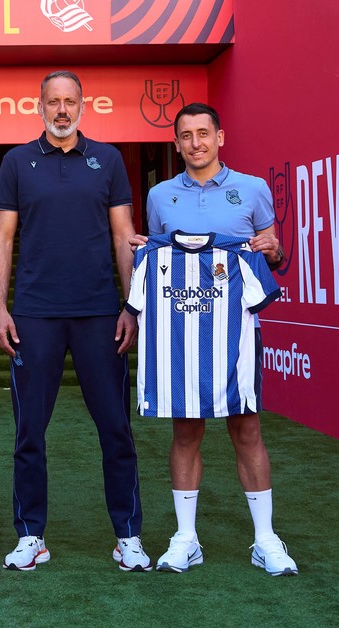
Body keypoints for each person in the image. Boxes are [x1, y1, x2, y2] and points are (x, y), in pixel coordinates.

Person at [0, 70, 148, 572]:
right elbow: (3, 237)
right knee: (29, 432)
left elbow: (123, 235)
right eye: (53, 102)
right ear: (39, 106)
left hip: (100, 312)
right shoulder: (17, 161)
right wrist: (0, 307)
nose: (61, 110)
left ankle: (128, 536)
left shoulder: (109, 159)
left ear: (83, 105)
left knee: (116, 428)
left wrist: (131, 305)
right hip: (34, 314)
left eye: (70, 102)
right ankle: (30, 536)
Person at [133, 102, 298, 576]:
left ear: (220, 137)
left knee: (246, 429)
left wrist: (274, 249)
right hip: (182, 334)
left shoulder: (253, 189)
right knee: (185, 431)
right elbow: (159, 257)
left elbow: (275, 256)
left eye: (203, 133)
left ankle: (265, 539)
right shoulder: (160, 196)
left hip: (237, 331)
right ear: (177, 143)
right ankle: (186, 538)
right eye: (186, 136)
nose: (196, 143)